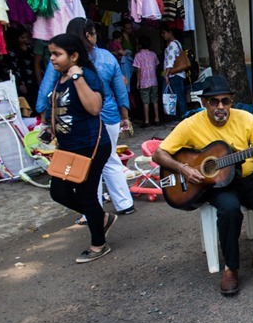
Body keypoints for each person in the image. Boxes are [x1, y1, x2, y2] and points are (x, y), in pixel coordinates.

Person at [151, 75, 253, 296]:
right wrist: (184, 169)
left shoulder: (246, 119)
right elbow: (159, 154)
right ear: (205, 103)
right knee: (230, 210)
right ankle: (231, 268)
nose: (221, 106)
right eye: (214, 101)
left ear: (231, 101)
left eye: (226, 101)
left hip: (249, 178)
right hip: (218, 185)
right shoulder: (190, 125)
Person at [37, 18, 135, 218]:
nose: (54, 57)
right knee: (110, 161)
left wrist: (45, 118)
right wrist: (124, 115)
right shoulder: (106, 57)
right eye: (95, 33)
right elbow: (119, 88)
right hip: (109, 116)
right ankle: (124, 204)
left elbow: (46, 90)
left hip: (82, 122)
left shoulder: (64, 62)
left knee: (86, 168)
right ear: (89, 35)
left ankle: (92, 212)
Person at [40, 33, 115, 263]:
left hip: (90, 146)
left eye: (57, 54)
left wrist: (78, 77)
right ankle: (100, 218)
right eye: (51, 53)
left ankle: (98, 244)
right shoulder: (59, 78)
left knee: (85, 194)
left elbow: (94, 108)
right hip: (67, 148)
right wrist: (50, 128)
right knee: (58, 192)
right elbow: (61, 108)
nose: (52, 58)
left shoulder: (87, 76)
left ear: (73, 56)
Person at [5, 26, 40, 110]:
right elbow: (13, 68)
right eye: (22, 38)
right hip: (20, 79)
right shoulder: (12, 51)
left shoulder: (30, 48)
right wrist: (20, 84)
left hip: (32, 78)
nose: (25, 40)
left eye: (26, 37)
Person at [132, 35, 160, 127]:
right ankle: (157, 119)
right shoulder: (153, 54)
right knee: (155, 100)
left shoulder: (138, 56)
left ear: (140, 45)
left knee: (145, 102)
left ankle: (147, 121)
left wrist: (138, 82)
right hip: (154, 80)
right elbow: (156, 66)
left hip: (144, 82)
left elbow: (138, 70)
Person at [161, 26, 187, 122]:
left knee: (177, 97)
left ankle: (180, 117)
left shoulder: (172, 44)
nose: (163, 35)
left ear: (170, 32)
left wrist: (166, 74)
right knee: (179, 96)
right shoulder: (177, 43)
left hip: (175, 75)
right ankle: (181, 116)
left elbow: (170, 61)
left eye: (164, 33)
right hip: (178, 74)